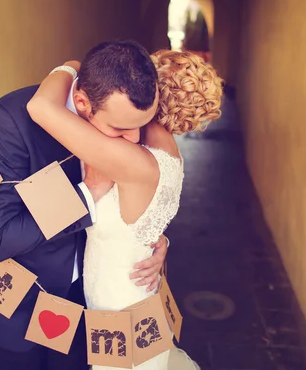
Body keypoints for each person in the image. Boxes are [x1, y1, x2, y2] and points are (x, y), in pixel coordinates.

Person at [0, 40, 169, 370]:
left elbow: (141, 195)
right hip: (14, 311)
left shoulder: (130, 118)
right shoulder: (10, 120)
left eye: (142, 126)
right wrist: (87, 194)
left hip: (85, 309)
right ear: (81, 102)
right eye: (121, 129)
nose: (136, 141)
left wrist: (152, 239)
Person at [27, 47, 223, 369]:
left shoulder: (130, 158)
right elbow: (143, 223)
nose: (126, 135)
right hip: (138, 300)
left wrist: (73, 66)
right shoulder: (167, 152)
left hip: (119, 313)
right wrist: (160, 243)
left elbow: (41, 106)